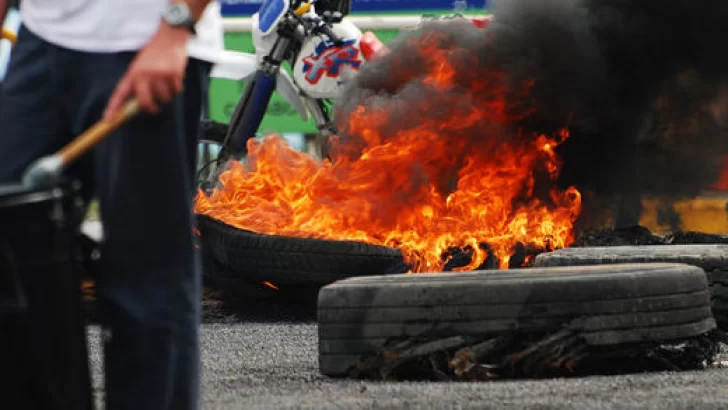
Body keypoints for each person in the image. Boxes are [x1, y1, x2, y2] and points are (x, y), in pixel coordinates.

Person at [0, 1, 221, 409]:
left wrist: (177, 26)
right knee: (14, 265)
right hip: (42, 37)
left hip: (148, 38)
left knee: (145, 283)